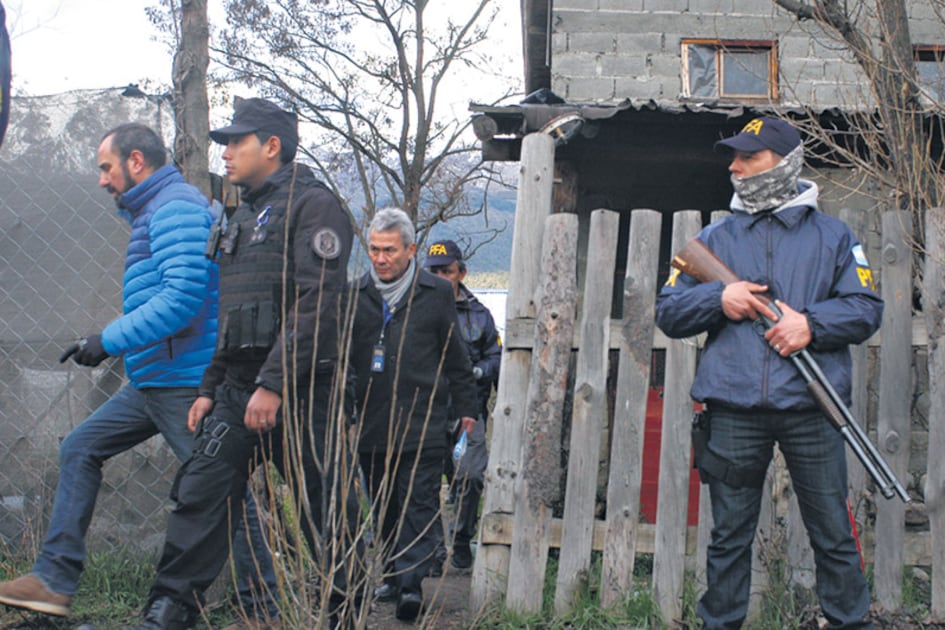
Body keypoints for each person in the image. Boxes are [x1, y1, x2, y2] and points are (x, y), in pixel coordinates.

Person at [0, 123, 276, 621]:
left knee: (217, 488)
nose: (102, 180)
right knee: (80, 447)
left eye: (106, 167)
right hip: (152, 381)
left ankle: (266, 603)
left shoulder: (175, 209)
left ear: (136, 161)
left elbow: (182, 300)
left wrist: (106, 341)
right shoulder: (154, 211)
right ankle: (52, 580)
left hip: (185, 381)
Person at [126, 98, 361, 630]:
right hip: (237, 388)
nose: (226, 153)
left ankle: (344, 611)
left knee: (324, 504)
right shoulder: (242, 213)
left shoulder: (314, 206)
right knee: (201, 492)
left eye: (237, 142)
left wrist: (275, 383)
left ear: (271, 146)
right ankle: (168, 610)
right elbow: (230, 315)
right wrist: (210, 386)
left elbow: (318, 300)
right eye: (225, 144)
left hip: (301, 390)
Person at [655, 117, 882, 629]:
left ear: (784, 162)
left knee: (832, 533)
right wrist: (720, 296)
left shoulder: (835, 236)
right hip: (732, 410)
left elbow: (866, 309)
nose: (734, 168)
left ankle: (851, 622)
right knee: (729, 537)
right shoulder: (713, 239)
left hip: (811, 405)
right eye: (733, 158)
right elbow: (668, 313)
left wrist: (811, 324)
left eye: (748, 158)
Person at [350, 209, 479, 622]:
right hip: (371, 422)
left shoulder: (435, 294)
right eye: (374, 249)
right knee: (384, 505)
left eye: (389, 250)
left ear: (410, 250)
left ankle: (410, 585)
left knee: (418, 504)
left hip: (423, 419)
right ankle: (390, 573)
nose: (380, 258)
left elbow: (456, 356)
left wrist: (467, 408)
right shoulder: (356, 296)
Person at [423, 239, 501, 571]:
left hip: (468, 411)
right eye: (434, 271)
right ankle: (430, 549)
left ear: (461, 273)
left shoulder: (481, 315)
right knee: (422, 483)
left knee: (471, 477)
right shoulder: (415, 309)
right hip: (426, 411)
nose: (441, 277)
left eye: (447, 271)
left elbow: (496, 355)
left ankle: (461, 538)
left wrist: (481, 370)